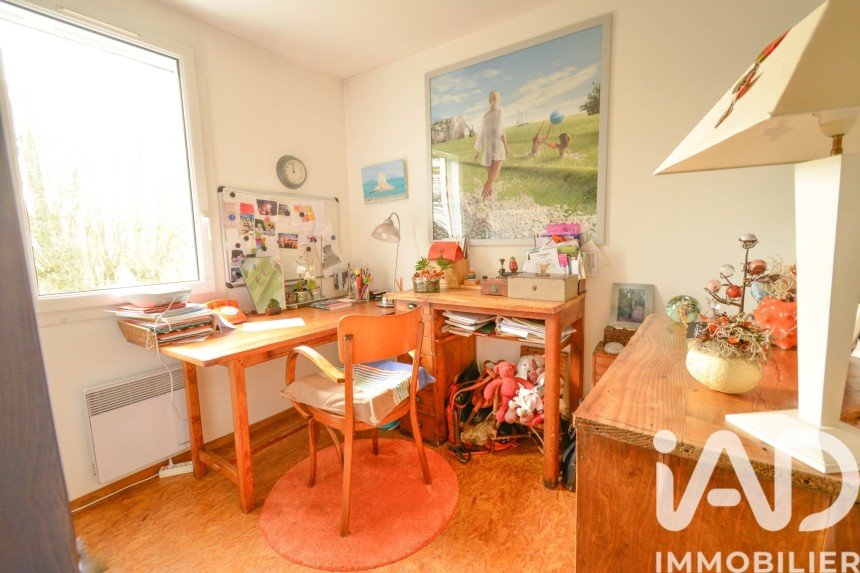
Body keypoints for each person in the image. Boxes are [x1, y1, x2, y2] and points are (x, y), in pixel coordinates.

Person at [474, 90, 511, 199]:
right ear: (496, 99)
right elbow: (500, 131)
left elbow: (482, 135)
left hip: (491, 150)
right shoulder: (498, 111)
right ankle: (480, 203)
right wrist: (506, 148)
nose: (495, 99)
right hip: (496, 148)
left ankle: (488, 203)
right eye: (495, 97)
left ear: (489, 100)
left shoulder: (487, 115)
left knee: (490, 180)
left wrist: (478, 152)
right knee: (490, 181)